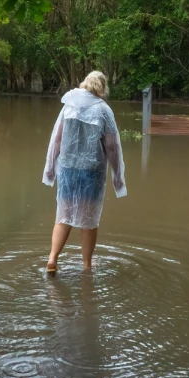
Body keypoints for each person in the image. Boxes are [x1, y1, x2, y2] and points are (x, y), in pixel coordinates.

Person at [42, 71, 126, 274]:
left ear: (84, 84)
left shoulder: (68, 106)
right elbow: (112, 146)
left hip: (68, 169)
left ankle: (52, 258)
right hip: (92, 172)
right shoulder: (104, 110)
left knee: (63, 216)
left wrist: (51, 169)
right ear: (103, 89)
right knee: (89, 221)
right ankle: (87, 266)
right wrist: (118, 177)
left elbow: (57, 140)